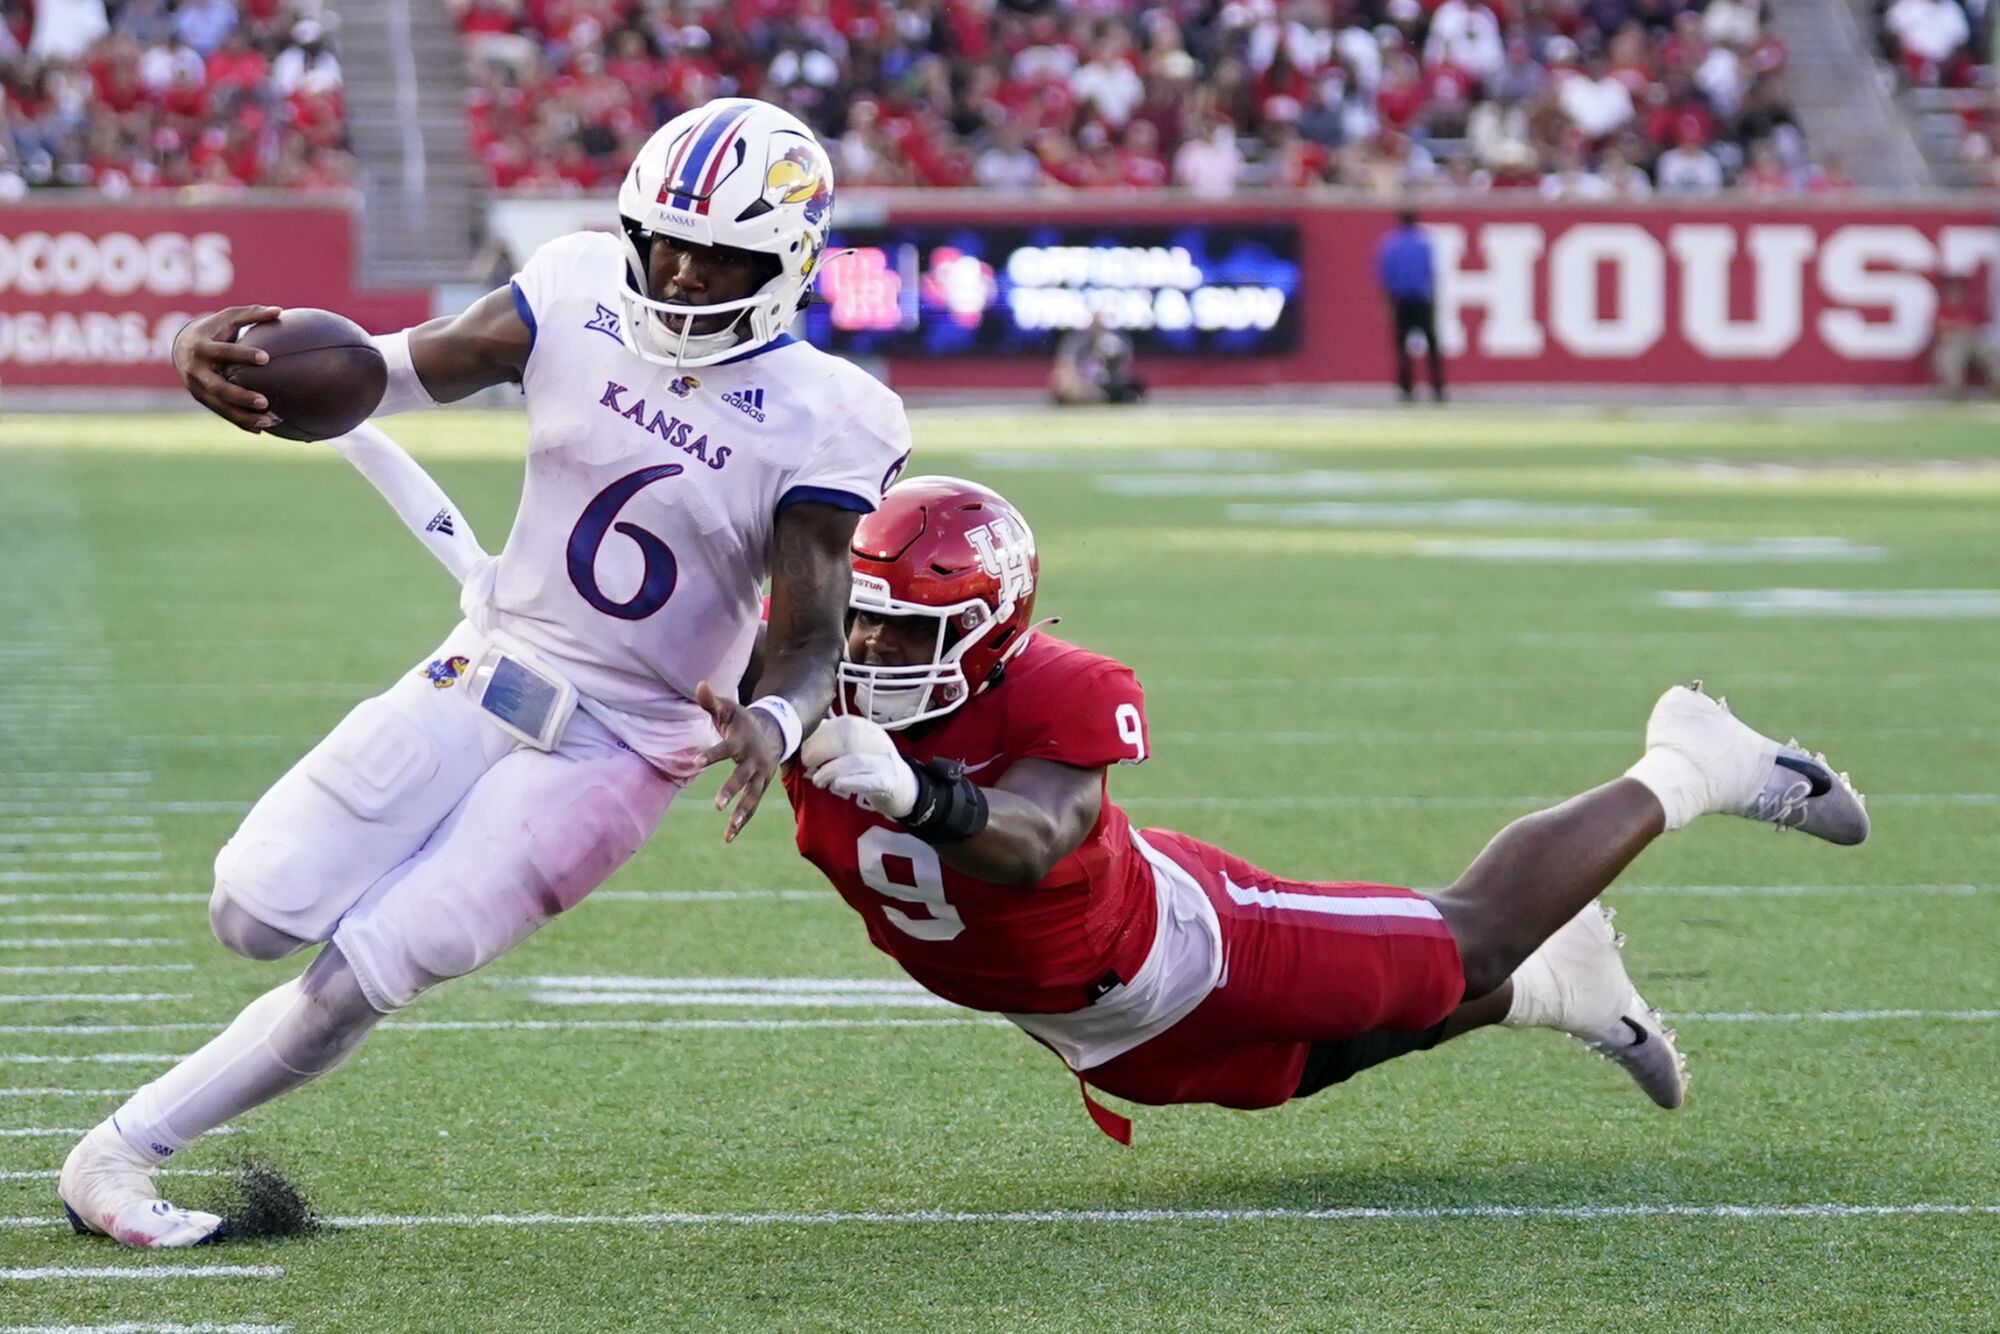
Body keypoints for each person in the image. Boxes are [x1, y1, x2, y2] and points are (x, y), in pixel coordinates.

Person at [59, 96, 913, 1248]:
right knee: (252, 909)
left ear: (787, 260)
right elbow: (383, 374)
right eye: (661, 239)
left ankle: (118, 1150)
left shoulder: (830, 414)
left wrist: (768, 715)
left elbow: (811, 632)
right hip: (486, 663)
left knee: (380, 959)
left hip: (622, 738)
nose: (677, 269)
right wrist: (232, 365)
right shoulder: (572, 288)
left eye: (715, 255)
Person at [781, 477, 1869, 1139]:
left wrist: (920, 791)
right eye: (859, 623)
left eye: (906, 632)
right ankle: (1559, 987)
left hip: (1188, 940)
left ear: (993, 630)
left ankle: (1689, 760)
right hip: (1084, 1015)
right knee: (1306, 1063)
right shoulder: (795, 672)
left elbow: (1035, 836)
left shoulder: (1060, 690)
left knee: (1470, 937)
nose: (869, 654)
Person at [1375, 208, 1445, 403]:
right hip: (1422, 300)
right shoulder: (1424, 243)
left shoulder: (1390, 244)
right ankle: (1437, 389)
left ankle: (1406, 390)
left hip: (1400, 301)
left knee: (1402, 349)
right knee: (1432, 346)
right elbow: (1431, 274)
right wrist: (1434, 300)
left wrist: (1387, 303)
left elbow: (1385, 277)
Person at [1049, 314, 1145, 406]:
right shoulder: (1076, 341)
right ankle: (1081, 398)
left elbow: (1122, 368)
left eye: (1098, 324)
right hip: (1080, 383)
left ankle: (1093, 399)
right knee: (1061, 379)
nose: (1095, 328)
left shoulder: (1111, 341)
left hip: (1103, 384)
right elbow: (1066, 363)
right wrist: (1077, 383)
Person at [1931, 271, 2000, 397]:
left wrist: (1962, 329)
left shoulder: (1968, 310)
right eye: (1952, 291)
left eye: (1958, 291)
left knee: (1990, 353)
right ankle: (1954, 391)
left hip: (1972, 343)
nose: (1955, 294)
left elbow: (1977, 329)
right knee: (1950, 357)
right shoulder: (1942, 309)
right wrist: (1960, 329)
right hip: (1952, 344)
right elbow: (1941, 329)